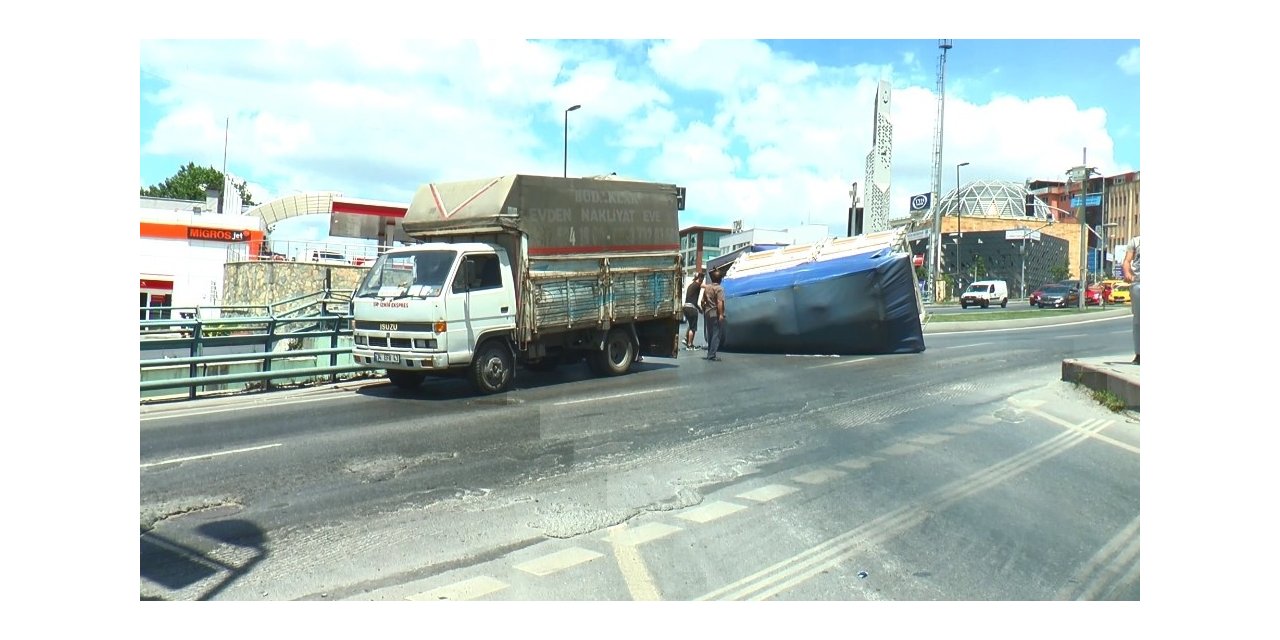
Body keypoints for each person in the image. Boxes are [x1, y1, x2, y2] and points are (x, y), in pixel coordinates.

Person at [1122, 235, 1140, 365]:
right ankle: (1140, 353)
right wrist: (1127, 273)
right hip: (1139, 283)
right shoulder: (1136, 241)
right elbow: (1127, 261)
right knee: (1139, 320)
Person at [701, 268, 726, 361]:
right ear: (720, 279)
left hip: (707, 312)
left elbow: (702, 301)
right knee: (716, 334)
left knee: (710, 333)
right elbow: (720, 302)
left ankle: (709, 353)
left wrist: (704, 309)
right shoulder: (719, 289)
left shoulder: (707, 288)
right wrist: (721, 314)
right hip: (715, 312)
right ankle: (712, 355)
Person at [682, 270, 705, 350]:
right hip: (691, 308)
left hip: (685, 307)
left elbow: (693, 300)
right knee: (693, 328)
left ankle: (685, 338)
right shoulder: (697, 285)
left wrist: (699, 309)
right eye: (702, 278)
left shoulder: (691, 285)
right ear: (700, 278)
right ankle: (690, 345)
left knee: (691, 324)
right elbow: (704, 286)